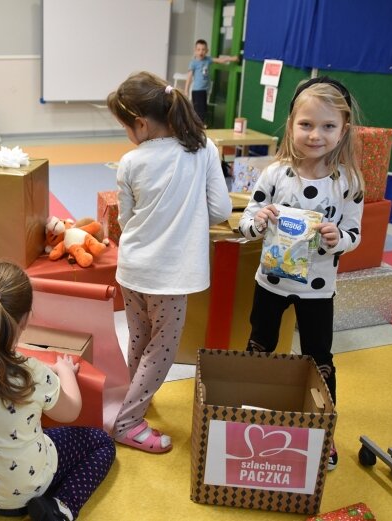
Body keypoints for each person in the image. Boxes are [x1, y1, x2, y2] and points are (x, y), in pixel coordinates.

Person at [237, 76, 364, 471]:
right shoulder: (275, 174)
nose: (316, 135)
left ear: (344, 130)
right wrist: (258, 220)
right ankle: (245, 417)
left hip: (318, 290)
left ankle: (322, 433)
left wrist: (336, 237)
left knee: (319, 357)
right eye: (306, 124)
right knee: (260, 344)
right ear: (291, 124)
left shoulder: (348, 183)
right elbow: (244, 222)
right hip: (270, 283)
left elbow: (355, 235)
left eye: (328, 126)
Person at [0, 262, 115, 521]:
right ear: (26, 320)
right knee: (102, 442)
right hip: (19, 496)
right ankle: (62, 508)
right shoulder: (33, 374)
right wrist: (65, 372)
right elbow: (71, 412)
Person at [106, 71, 232, 453]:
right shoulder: (203, 149)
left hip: (132, 269)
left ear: (141, 124)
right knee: (162, 347)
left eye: (126, 126)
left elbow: (126, 221)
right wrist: (189, 217)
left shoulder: (130, 161)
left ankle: (134, 399)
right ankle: (127, 420)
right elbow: (221, 209)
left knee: (140, 338)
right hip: (171, 276)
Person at [184, 39, 240, 124]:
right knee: (199, 112)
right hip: (197, 91)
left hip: (204, 91)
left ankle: (200, 126)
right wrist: (186, 90)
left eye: (203, 49)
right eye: (198, 49)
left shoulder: (207, 59)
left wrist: (233, 58)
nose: (201, 52)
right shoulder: (193, 63)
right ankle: (198, 127)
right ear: (195, 51)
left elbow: (220, 60)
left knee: (203, 110)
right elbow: (189, 77)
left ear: (207, 51)